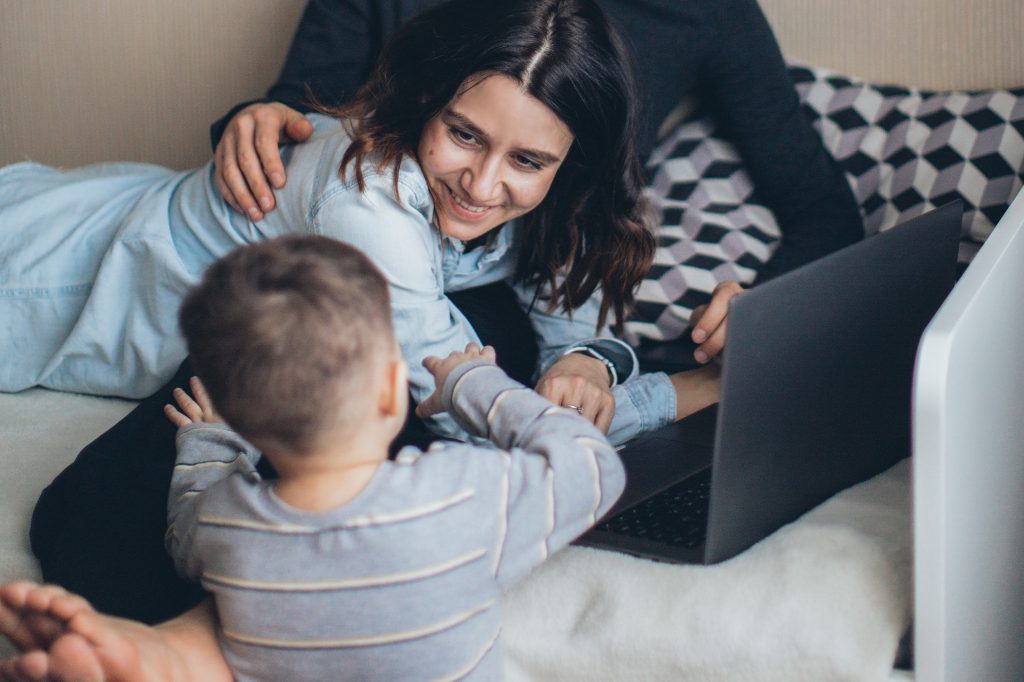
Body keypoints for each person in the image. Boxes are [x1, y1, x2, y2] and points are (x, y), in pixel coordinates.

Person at [19, 0, 721, 625]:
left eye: (528, 160)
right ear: (428, 101)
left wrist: (585, 362)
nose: (482, 184)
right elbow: (460, 400)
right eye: (465, 134)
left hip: (126, 219)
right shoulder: (368, 198)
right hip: (51, 279)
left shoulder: (540, 201)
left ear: (571, 162)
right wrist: (683, 394)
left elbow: (567, 316)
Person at [158, 235, 622, 680]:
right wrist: (474, 382)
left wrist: (214, 438)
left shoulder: (223, 525)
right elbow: (593, 467)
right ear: (389, 390)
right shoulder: (457, 493)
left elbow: (185, 530)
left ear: (242, 420)